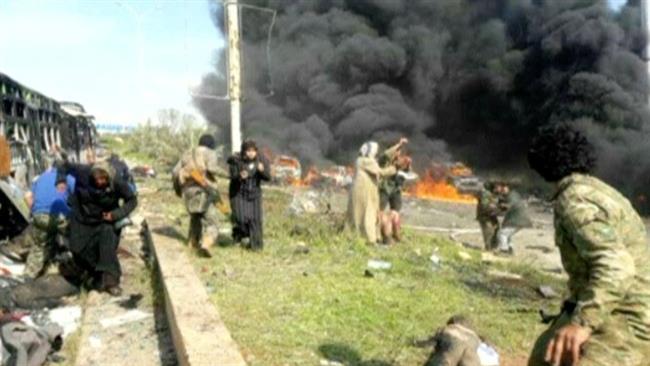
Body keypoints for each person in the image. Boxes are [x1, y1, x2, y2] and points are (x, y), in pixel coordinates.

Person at [527, 123, 650, 366]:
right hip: (607, 308)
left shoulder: (574, 200)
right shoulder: (597, 190)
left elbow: (617, 266)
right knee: (544, 355)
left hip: (626, 321)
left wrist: (582, 324)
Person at [57, 158, 137, 296]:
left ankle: (111, 282)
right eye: (97, 179)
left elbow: (132, 200)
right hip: (82, 218)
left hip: (105, 220)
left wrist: (115, 214)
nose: (100, 182)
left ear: (109, 177)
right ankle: (94, 274)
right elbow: (63, 165)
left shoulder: (117, 181)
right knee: (77, 249)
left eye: (103, 179)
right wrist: (61, 180)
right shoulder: (83, 172)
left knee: (107, 245)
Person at [173, 134, 225, 257]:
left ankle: (192, 243)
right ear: (211, 145)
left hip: (188, 191)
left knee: (195, 218)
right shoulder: (210, 153)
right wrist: (228, 174)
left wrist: (179, 190)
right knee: (212, 222)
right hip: (204, 190)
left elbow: (175, 172)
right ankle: (205, 245)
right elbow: (212, 169)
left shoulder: (187, 153)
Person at [23, 155, 75, 278]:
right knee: (75, 238)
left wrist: (35, 210)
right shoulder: (68, 177)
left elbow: (27, 197)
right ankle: (76, 268)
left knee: (39, 247)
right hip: (60, 218)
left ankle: (27, 278)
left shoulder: (40, 178)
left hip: (39, 216)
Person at [347, 141, 396, 244]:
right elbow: (381, 172)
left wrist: (397, 146)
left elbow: (384, 156)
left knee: (360, 215)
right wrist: (395, 168)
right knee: (367, 215)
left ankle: (357, 236)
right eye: (375, 151)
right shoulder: (366, 161)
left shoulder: (361, 160)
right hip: (364, 192)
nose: (376, 153)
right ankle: (369, 239)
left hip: (364, 191)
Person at [227, 140, 271, 251]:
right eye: (248, 151)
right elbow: (232, 176)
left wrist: (262, 171)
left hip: (254, 194)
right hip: (239, 193)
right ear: (244, 151)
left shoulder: (262, 160)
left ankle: (256, 246)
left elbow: (268, 177)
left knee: (255, 220)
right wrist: (240, 176)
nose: (251, 153)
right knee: (240, 219)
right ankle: (239, 233)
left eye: (253, 151)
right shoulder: (236, 160)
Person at [378, 138, 410, 244]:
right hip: (384, 188)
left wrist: (407, 165)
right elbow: (386, 155)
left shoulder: (398, 161)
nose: (398, 154)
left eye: (399, 152)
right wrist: (399, 144)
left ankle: (396, 234)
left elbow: (405, 172)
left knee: (395, 213)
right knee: (380, 213)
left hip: (395, 188)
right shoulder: (384, 160)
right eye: (397, 151)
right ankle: (385, 236)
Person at [495, 184, 533, 255]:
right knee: (508, 234)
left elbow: (508, 206)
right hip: (518, 220)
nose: (502, 190)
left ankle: (504, 250)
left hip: (517, 220)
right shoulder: (513, 194)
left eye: (503, 188)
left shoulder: (512, 195)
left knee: (501, 234)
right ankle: (510, 249)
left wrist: (499, 206)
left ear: (508, 188)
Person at [476, 182, 501, 250]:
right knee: (489, 232)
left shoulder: (494, 194)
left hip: (491, 216)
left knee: (497, 229)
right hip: (485, 217)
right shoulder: (486, 194)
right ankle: (489, 248)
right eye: (497, 187)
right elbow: (485, 205)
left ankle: (494, 247)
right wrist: (495, 207)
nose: (498, 189)